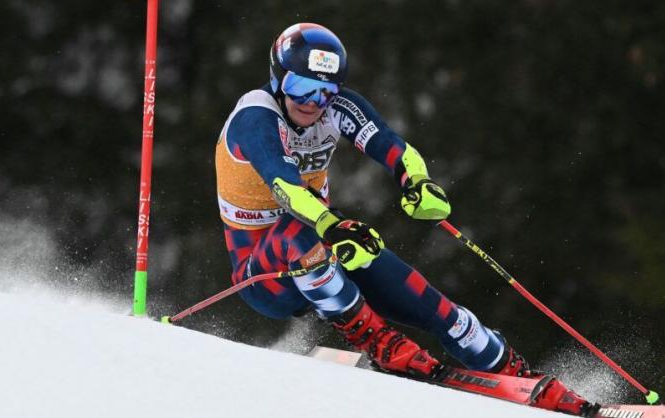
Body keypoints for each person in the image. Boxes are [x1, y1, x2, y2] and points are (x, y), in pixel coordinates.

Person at [215, 23, 591, 415]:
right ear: (278, 78)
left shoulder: (338, 109)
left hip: (325, 243)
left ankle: (518, 375)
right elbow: (285, 187)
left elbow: (393, 146)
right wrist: (332, 224)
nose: (313, 102)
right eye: (301, 87)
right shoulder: (256, 116)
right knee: (298, 232)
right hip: (263, 274)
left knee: (435, 307)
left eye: (326, 91)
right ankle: (381, 343)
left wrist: (418, 182)